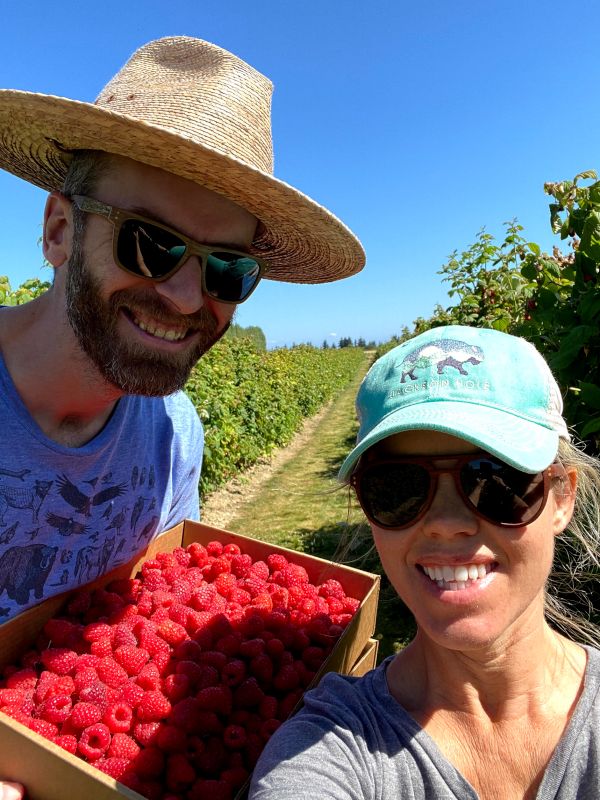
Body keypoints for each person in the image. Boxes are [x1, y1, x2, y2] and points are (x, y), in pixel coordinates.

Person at [0, 36, 365, 625]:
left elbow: (149, 616)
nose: (187, 296)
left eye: (227, 269)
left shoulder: (173, 436)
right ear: (60, 231)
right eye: (150, 244)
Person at [249, 325, 600, 799]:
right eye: (398, 488)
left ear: (562, 498)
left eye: (495, 480)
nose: (446, 524)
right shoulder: (330, 751)